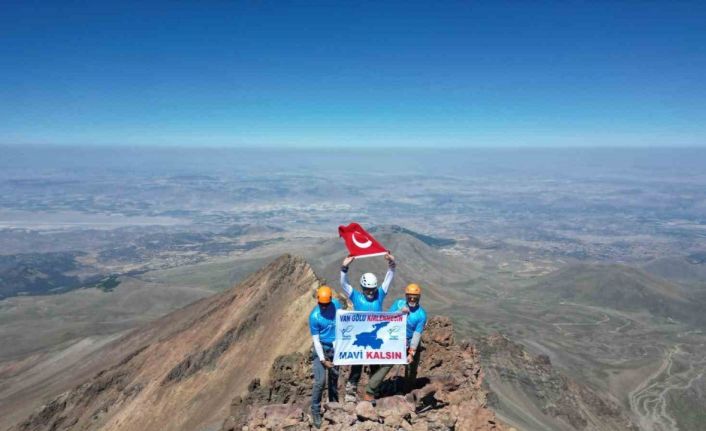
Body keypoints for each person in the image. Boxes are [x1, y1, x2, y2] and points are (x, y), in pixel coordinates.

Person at [339, 252, 396, 401]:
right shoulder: (356, 296)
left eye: (372, 289)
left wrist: (391, 264)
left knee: (375, 366)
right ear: (362, 288)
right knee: (356, 367)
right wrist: (344, 268)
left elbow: (389, 278)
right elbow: (344, 284)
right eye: (367, 289)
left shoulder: (380, 295)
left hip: (375, 337)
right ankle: (351, 393)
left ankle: (374, 392)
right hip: (360, 338)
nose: (370, 293)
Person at [309, 285, 342, 428]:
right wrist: (323, 360)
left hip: (334, 348)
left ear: (330, 301)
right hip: (320, 349)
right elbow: (316, 340)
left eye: (326, 304)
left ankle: (333, 406)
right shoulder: (314, 317)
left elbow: (343, 323)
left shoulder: (336, 306)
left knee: (334, 378)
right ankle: (315, 410)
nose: (323, 307)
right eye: (321, 304)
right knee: (320, 381)